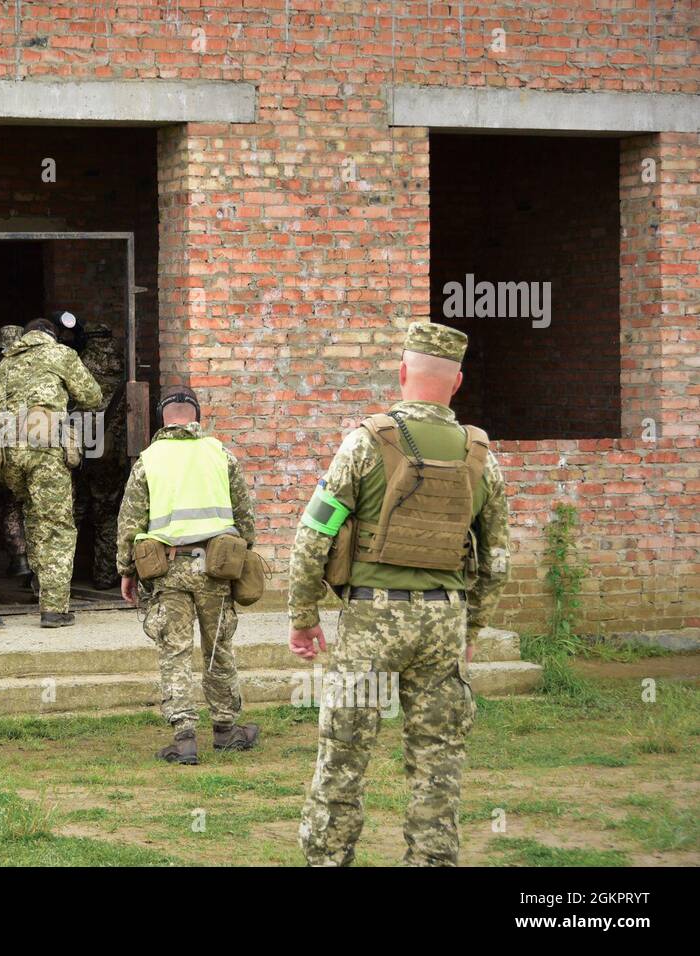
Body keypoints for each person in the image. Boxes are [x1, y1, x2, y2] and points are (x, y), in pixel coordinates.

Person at [289, 322, 511, 866]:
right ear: (456, 383)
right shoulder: (480, 454)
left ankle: (327, 859)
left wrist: (303, 615)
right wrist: (471, 630)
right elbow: (499, 562)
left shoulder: (368, 439)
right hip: (443, 624)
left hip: (371, 622)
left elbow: (313, 533)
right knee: (438, 764)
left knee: (344, 754)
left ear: (403, 372)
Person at [117, 385, 259, 764]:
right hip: (215, 567)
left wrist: (126, 570)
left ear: (162, 419)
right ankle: (227, 730)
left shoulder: (148, 460)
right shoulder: (220, 454)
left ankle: (184, 739)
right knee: (218, 648)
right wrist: (246, 551)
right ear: (198, 416)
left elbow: (130, 522)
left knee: (174, 651)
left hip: (168, 569)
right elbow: (245, 514)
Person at [0, 318, 102, 626]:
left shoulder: (6, 361)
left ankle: (43, 589)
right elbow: (93, 396)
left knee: (34, 518)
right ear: (52, 335)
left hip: (10, 453)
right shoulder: (61, 355)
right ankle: (54, 608)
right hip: (44, 449)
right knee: (56, 525)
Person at [74, 322, 129, 591]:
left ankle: (63, 576)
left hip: (85, 448)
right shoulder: (125, 362)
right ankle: (106, 576)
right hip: (113, 451)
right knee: (108, 513)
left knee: (74, 510)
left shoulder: (80, 362)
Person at [0, 324, 30, 582]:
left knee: (9, 505)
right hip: (38, 445)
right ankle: (31, 564)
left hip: (5, 443)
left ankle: (20, 558)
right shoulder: (33, 368)